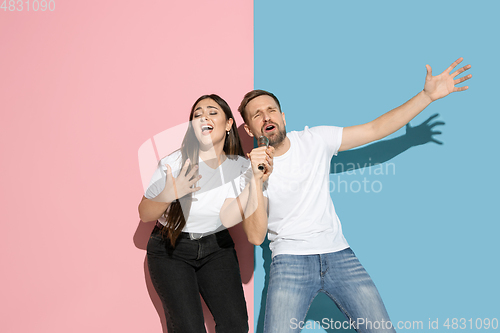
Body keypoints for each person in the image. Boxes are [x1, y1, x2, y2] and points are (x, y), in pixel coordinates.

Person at [237, 58, 472, 333]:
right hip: (290, 261)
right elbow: (254, 237)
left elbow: (374, 129)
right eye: (257, 115)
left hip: (339, 255)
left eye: (272, 110)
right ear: (250, 129)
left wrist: (426, 96)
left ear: (283, 117)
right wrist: (256, 178)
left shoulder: (315, 140)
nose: (267, 117)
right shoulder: (247, 172)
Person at [138, 94, 272, 333]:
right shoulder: (175, 162)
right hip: (170, 248)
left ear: (229, 123)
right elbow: (145, 213)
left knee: (235, 325)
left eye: (212, 112)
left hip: (216, 247)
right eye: (197, 114)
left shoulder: (241, 168)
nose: (203, 117)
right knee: (188, 327)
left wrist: (255, 181)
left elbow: (232, 218)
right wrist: (170, 193)